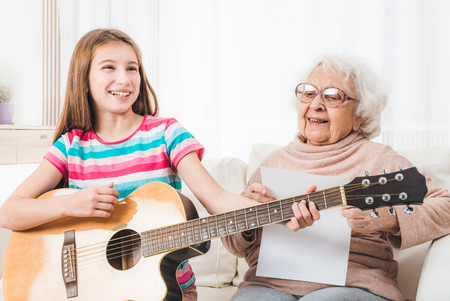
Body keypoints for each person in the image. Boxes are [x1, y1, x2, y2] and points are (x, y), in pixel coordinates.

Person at [0, 28, 311, 300]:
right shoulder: (70, 147)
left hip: (167, 289)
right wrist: (71, 204)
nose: (124, 79)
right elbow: (9, 211)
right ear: (84, 79)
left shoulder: (166, 133)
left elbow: (216, 199)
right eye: (109, 67)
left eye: (132, 68)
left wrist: (278, 212)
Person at [221, 54, 450, 301]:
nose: (316, 104)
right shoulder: (273, 161)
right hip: (268, 285)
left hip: (353, 284)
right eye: (309, 93)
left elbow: (445, 206)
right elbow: (236, 247)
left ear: (360, 114)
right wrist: (245, 210)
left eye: (332, 97)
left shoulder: (378, 158)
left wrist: (389, 218)